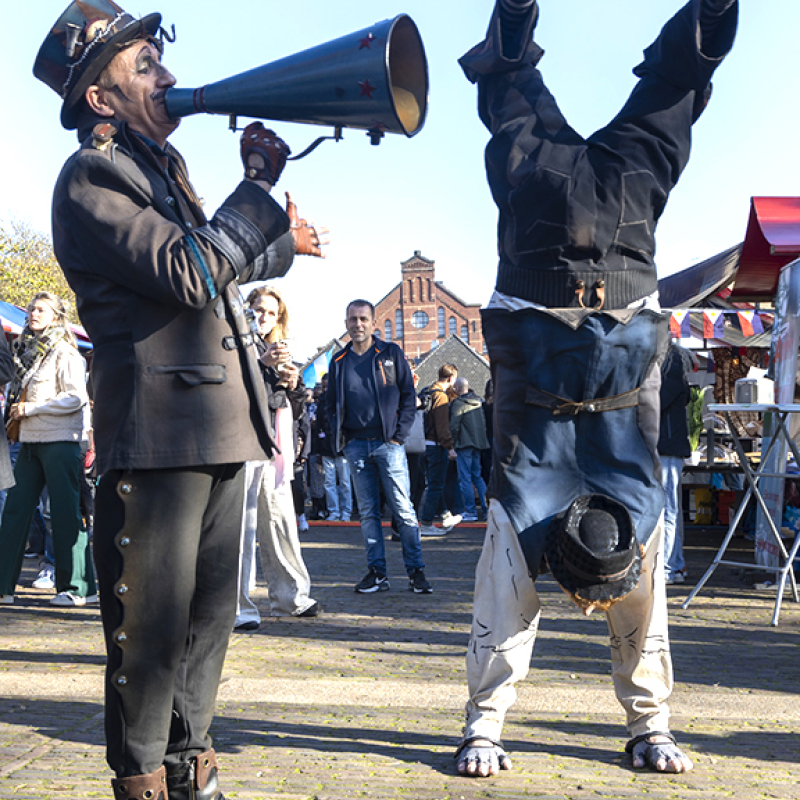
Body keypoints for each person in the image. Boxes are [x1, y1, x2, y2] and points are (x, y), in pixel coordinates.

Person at [33, 1, 325, 797]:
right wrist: (256, 189)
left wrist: (277, 243)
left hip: (219, 426)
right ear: (101, 97)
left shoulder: (160, 169)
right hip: (160, 435)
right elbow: (189, 271)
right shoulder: (93, 174)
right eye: (145, 66)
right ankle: (143, 780)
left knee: (206, 625)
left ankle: (192, 768)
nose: (167, 76)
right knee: (150, 637)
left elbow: (209, 273)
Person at [455, 0, 737, 778]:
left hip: (561, 285)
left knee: (630, 110)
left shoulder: (530, 529)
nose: (585, 605)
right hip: (599, 284)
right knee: (609, 110)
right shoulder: (623, 531)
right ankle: (637, 724)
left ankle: (498, 725)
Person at [325, 300, 432, 594]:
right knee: (368, 513)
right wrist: (342, 439)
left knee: (403, 509)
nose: (357, 324)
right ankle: (377, 573)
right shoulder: (338, 360)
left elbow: (409, 395)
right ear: (346, 324)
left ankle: (416, 572)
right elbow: (330, 404)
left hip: (389, 444)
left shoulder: (390, 353)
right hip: (356, 446)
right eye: (352, 319)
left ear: (373, 324)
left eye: (363, 319)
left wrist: (399, 435)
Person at [0, 293, 95, 607]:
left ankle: (78, 588)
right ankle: (4, 586)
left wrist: (31, 408)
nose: (33, 313)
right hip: (29, 443)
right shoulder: (27, 352)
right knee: (15, 512)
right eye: (30, 309)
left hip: (61, 442)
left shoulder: (66, 352)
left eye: (41, 309)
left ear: (56, 316)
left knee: (65, 514)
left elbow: (76, 398)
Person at [235, 285, 320, 631]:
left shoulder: (277, 350)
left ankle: (291, 597)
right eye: (259, 310)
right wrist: (261, 365)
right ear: (247, 310)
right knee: (241, 526)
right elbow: (233, 388)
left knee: (280, 519)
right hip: (243, 443)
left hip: (275, 447)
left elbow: (291, 407)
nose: (265, 318)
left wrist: (293, 383)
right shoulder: (237, 344)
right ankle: (238, 606)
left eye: (272, 313)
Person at [659, 343, 694, 585]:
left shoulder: (670, 374)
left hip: (667, 448)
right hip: (668, 448)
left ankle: (669, 567)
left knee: (667, 509)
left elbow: (656, 403)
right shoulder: (674, 374)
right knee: (671, 509)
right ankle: (676, 565)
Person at [419, 364, 462, 536]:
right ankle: (427, 523)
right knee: (436, 486)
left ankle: (445, 516)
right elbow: (442, 426)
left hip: (422, 445)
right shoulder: (441, 396)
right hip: (436, 445)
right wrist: (450, 447)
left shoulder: (427, 392)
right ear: (451, 378)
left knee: (433, 484)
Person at [450, 377, 489, 522]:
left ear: (457, 388)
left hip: (463, 444)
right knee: (477, 477)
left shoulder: (458, 404)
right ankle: (487, 509)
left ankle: (471, 511)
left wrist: (451, 444)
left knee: (465, 478)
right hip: (478, 444)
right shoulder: (478, 402)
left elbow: (454, 426)